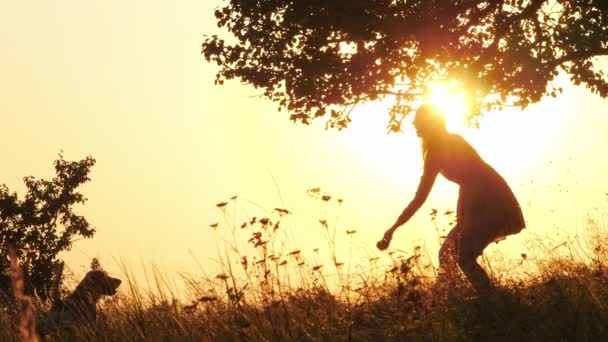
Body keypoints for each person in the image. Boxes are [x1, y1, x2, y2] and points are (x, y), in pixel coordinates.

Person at [377, 104, 525, 295]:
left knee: (462, 256)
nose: (414, 125)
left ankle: (488, 299)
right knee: (450, 254)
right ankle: (451, 297)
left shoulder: (443, 148)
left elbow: (475, 176)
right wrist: (395, 227)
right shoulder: (442, 147)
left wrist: (394, 227)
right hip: (481, 196)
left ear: (428, 124)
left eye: (418, 122)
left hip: (488, 199)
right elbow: (422, 195)